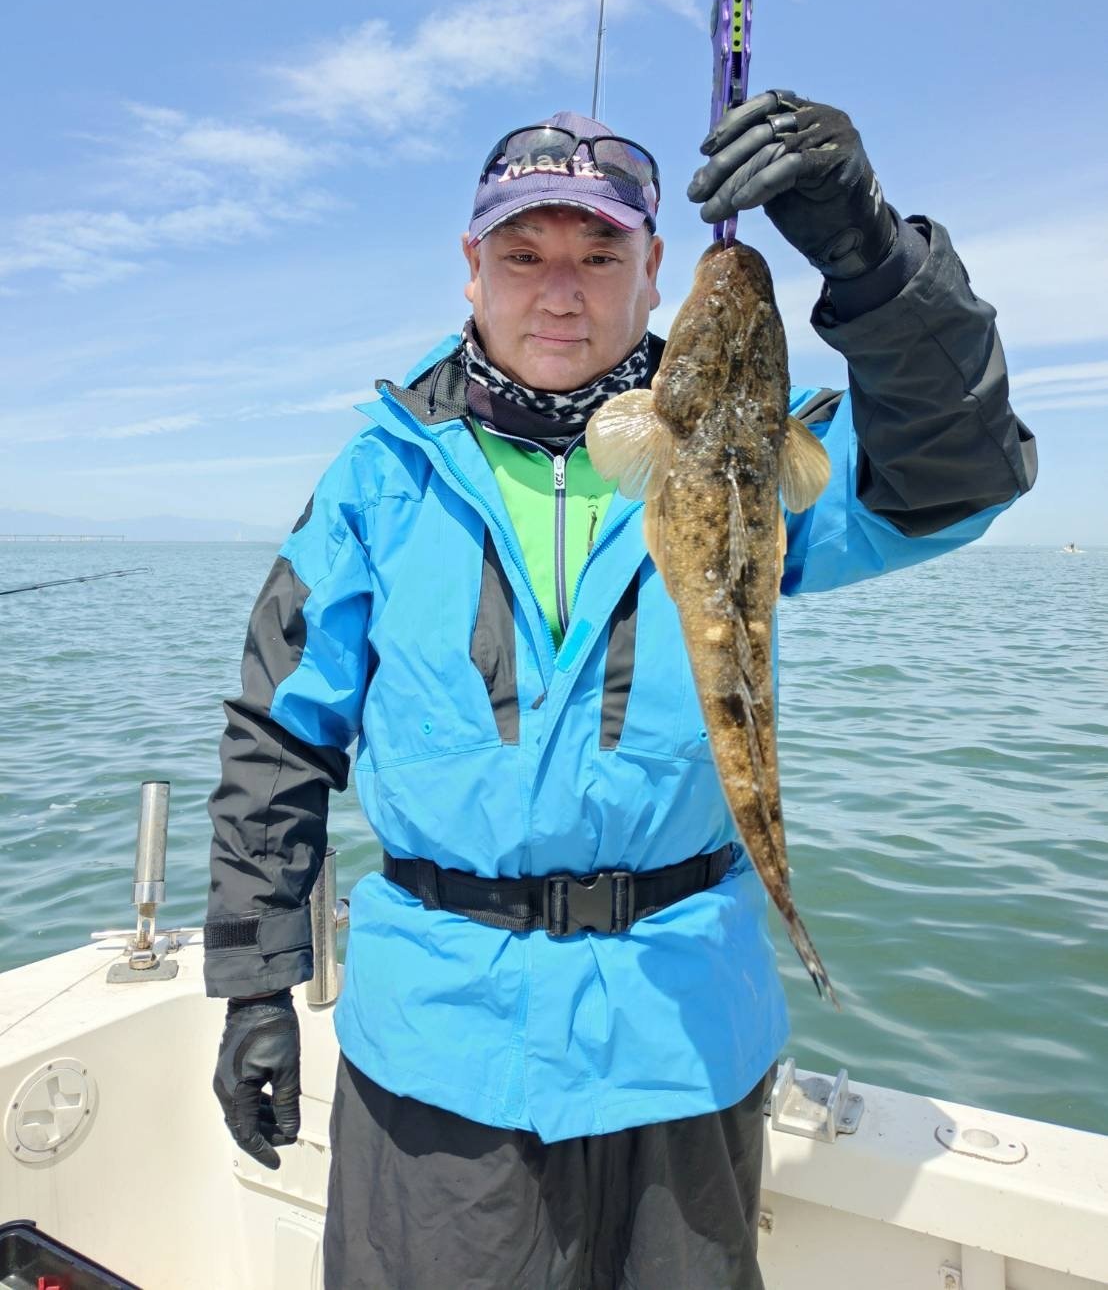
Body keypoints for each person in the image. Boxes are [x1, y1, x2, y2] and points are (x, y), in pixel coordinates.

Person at [205, 95, 1036, 1289]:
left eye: (600, 257)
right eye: (524, 255)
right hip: (439, 1049)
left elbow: (961, 470)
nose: (561, 292)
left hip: (682, 1041)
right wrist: (254, 983)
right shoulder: (378, 478)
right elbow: (279, 734)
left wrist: (874, 260)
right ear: (470, 268)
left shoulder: (749, 453)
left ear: (654, 277)